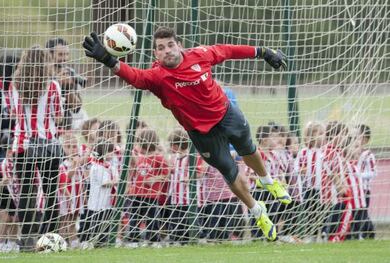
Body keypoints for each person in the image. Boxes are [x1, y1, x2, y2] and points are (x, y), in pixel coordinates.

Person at [83, 26, 290, 240]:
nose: (167, 51)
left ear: (179, 46)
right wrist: (108, 60)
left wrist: (263, 52)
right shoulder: (157, 76)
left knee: (248, 149)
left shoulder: (200, 55)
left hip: (226, 114)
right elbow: (134, 76)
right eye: (161, 48)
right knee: (230, 173)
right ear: (156, 54)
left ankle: (267, 181)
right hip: (201, 133)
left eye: (171, 45)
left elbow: (229, 50)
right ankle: (258, 211)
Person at [11, 46, 64, 251]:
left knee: (27, 192)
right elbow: (58, 116)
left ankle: (26, 239)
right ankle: (49, 238)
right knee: (51, 192)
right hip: (48, 144)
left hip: (22, 143)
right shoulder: (52, 86)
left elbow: (15, 115)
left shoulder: (16, 84)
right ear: (45, 63)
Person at [46, 37, 87, 131]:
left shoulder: (70, 73)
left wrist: (67, 87)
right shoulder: (42, 73)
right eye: (60, 54)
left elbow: (76, 108)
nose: (65, 58)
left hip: (65, 129)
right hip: (45, 128)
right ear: (49, 54)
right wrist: (57, 83)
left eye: (67, 54)